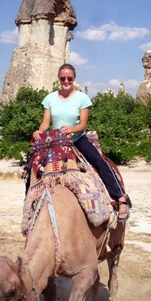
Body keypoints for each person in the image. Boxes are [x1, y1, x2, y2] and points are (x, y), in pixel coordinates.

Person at [33, 63, 130, 220]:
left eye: (69, 78)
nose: (66, 81)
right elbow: (45, 122)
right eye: (63, 78)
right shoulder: (50, 98)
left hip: (77, 139)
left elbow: (83, 124)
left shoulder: (82, 98)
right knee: (34, 167)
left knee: (99, 161)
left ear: (74, 79)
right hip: (57, 142)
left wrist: (72, 129)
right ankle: (31, 205)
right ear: (58, 78)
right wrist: (39, 132)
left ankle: (120, 198)